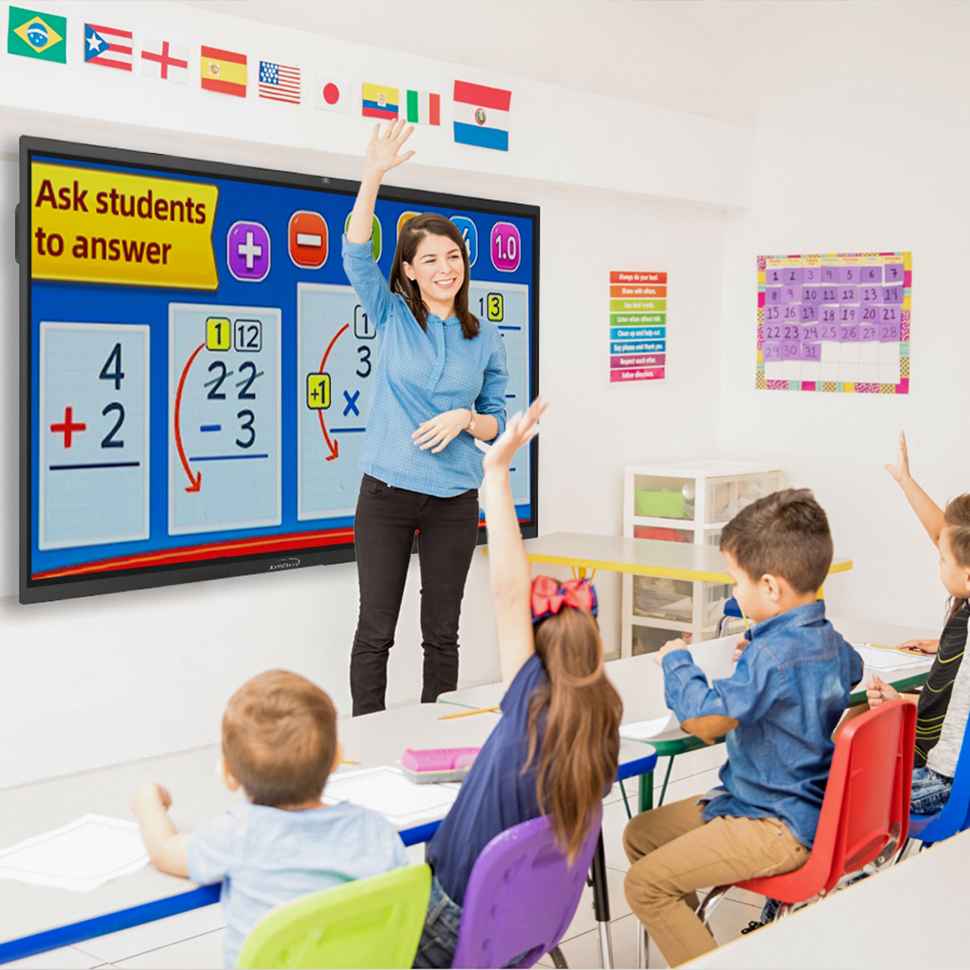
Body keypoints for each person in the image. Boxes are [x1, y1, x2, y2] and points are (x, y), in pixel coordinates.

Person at [413, 398, 623, 969]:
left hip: (452, 918)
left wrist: (496, 472)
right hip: (518, 924)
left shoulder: (533, 698)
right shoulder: (603, 721)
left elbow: (508, 585)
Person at [622, 488, 863, 968]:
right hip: (773, 804)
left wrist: (676, 663)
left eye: (735, 583)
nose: (733, 593)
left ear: (771, 588)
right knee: (640, 834)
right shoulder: (829, 640)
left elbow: (706, 722)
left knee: (643, 885)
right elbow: (847, 669)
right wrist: (760, 658)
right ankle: (706, 949)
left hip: (775, 824)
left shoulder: (772, 657)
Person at [344, 119, 510, 716]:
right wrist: (373, 174)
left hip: (453, 499)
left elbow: (499, 420)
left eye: (454, 256)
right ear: (410, 269)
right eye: (430, 259)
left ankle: (436, 741)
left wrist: (466, 418)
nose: (446, 267)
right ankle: (369, 739)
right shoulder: (392, 315)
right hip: (387, 493)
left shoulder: (484, 335)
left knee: (443, 633)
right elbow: (357, 252)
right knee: (376, 631)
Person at [129, 670, 408, 969]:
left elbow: (164, 849)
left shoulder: (234, 835)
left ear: (228, 775)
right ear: (336, 758)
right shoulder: (373, 830)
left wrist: (147, 799)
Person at [866, 432, 970, 813]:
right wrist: (905, 481)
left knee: (839, 790)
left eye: (942, 560)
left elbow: (958, 713)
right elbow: (949, 537)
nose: (938, 558)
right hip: (945, 767)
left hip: (941, 779)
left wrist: (904, 703)